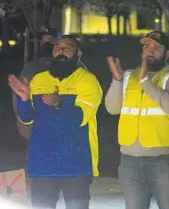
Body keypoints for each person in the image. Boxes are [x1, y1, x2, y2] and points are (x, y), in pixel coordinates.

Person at [8, 35, 103, 209]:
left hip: (76, 166)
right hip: (42, 165)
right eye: (58, 47)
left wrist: (59, 103)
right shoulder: (38, 80)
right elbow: (27, 118)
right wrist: (23, 98)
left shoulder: (87, 81)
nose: (61, 51)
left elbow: (80, 118)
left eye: (68, 48)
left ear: (78, 54)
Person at [104, 30, 169, 209]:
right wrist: (117, 81)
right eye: (146, 47)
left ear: (167, 54)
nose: (149, 52)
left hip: (164, 160)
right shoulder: (129, 76)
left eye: (156, 48)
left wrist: (146, 82)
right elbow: (112, 108)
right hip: (130, 160)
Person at [12, 28, 57, 139]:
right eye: (43, 42)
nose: (46, 45)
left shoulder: (66, 67)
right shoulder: (31, 68)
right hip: (36, 125)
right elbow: (18, 97)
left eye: (50, 41)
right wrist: (22, 123)